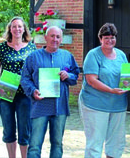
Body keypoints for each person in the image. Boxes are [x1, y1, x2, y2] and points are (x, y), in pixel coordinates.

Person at [21, 26, 80, 158]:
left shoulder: (67, 56)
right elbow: (24, 79)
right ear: (45, 38)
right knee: (35, 145)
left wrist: (68, 76)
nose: (55, 39)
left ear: (61, 39)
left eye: (58, 37)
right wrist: (33, 91)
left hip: (60, 107)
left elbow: (75, 75)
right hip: (39, 107)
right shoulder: (33, 57)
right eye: (52, 36)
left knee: (57, 144)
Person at [79, 23, 128, 158]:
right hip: (95, 105)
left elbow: (128, 78)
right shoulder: (93, 55)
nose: (109, 40)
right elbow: (91, 80)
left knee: (116, 143)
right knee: (95, 142)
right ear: (100, 39)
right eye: (106, 38)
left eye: (112, 37)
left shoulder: (122, 55)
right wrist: (111, 90)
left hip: (118, 105)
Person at [0, 17, 36, 158]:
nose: (17, 29)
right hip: (5, 94)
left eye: (20, 26)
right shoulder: (1, 47)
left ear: (24, 29)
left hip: (25, 95)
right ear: (10, 29)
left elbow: (35, 70)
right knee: (9, 130)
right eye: (14, 26)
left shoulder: (31, 47)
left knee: (25, 130)